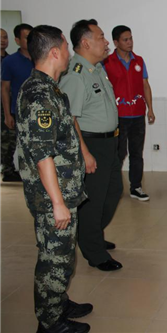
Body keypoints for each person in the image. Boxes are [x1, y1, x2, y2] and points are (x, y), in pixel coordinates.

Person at [17, 25, 92, 333]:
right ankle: (50, 322)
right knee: (54, 258)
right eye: (66, 46)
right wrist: (58, 203)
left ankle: (58, 302)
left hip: (61, 190)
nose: (69, 52)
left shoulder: (49, 88)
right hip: (52, 197)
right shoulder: (39, 95)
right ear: (54, 53)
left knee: (62, 255)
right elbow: (42, 154)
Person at [59, 19, 123, 272]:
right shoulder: (75, 75)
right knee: (93, 200)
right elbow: (70, 118)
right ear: (85, 43)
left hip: (109, 143)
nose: (106, 42)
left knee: (113, 192)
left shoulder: (96, 69)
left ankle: (90, 233)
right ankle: (95, 252)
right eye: (101, 37)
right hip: (91, 144)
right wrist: (84, 153)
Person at [104, 25, 155, 201]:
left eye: (131, 38)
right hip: (118, 117)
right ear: (116, 42)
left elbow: (145, 85)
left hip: (138, 115)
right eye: (125, 39)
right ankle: (114, 188)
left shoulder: (138, 61)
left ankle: (136, 187)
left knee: (136, 153)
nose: (129, 42)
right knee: (118, 154)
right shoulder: (107, 63)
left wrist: (150, 108)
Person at [1, 23, 34, 182]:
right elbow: (5, 88)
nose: (31, 40)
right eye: (27, 37)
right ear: (17, 40)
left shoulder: (40, 58)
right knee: (17, 145)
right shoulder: (10, 61)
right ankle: (13, 172)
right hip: (19, 110)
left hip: (39, 111)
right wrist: (7, 114)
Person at [1, 27, 15, 182]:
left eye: (5, 37)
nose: (3, 40)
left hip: (9, 105)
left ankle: (9, 169)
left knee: (10, 139)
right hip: (3, 107)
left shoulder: (10, 59)